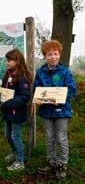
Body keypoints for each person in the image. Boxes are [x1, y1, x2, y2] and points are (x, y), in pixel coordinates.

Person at [35, 40, 76, 178]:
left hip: (62, 111)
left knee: (61, 138)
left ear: (59, 55)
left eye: (55, 54)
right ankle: (51, 162)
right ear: (45, 56)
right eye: (49, 54)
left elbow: (72, 89)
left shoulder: (65, 72)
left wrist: (60, 99)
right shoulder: (40, 72)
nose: (53, 57)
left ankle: (62, 165)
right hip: (46, 112)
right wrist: (39, 99)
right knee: (49, 138)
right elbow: (37, 89)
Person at [0, 49, 32, 171]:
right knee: (7, 135)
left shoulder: (23, 77)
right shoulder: (8, 74)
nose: (7, 62)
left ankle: (20, 161)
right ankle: (15, 152)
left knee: (15, 136)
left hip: (17, 113)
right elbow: (4, 92)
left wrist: (8, 104)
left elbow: (24, 97)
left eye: (9, 60)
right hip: (7, 112)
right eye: (6, 60)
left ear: (17, 61)